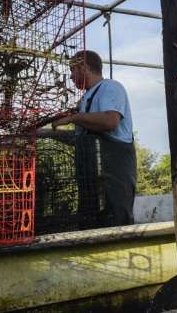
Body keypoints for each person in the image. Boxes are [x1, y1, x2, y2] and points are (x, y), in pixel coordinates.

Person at [52, 50, 137, 226]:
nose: (71, 77)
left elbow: (110, 121)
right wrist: (46, 133)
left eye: (72, 70)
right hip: (90, 182)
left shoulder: (110, 87)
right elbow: (82, 138)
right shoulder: (85, 99)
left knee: (115, 224)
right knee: (89, 224)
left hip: (114, 176)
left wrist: (73, 118)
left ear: (84, 67)